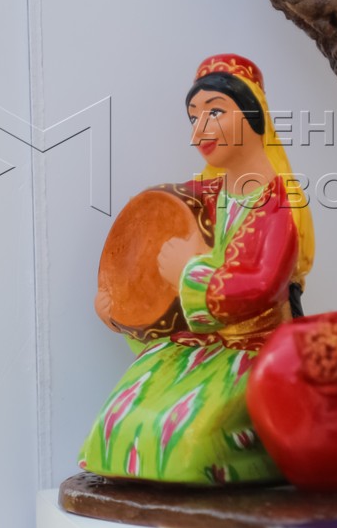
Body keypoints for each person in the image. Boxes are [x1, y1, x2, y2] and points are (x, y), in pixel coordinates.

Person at [79, 54, 314, 484]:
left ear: (254, 116)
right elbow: (148, 266)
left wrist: (191, 269)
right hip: (193, 346)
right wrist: (122, 306)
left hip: (252, 352)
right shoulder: (198, 195)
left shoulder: (275, 202)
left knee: (185, 436)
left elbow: (262, 285)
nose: (198, 132)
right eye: (193, 117)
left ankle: (248, 457)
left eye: (215, 112)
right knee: (119, 419)